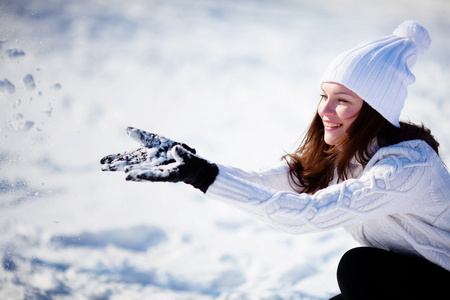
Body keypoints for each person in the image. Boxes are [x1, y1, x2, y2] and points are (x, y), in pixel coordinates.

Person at [100, 20, 450, 299]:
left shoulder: (405, 169)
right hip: (411, 282)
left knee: (358, 269)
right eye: (324, 96)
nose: (325, 110)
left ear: (374, 111)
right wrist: (193, 164)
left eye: (342, 100)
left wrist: (203, 176)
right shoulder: (348, 155)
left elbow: (304, 215)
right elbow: (267, 181)